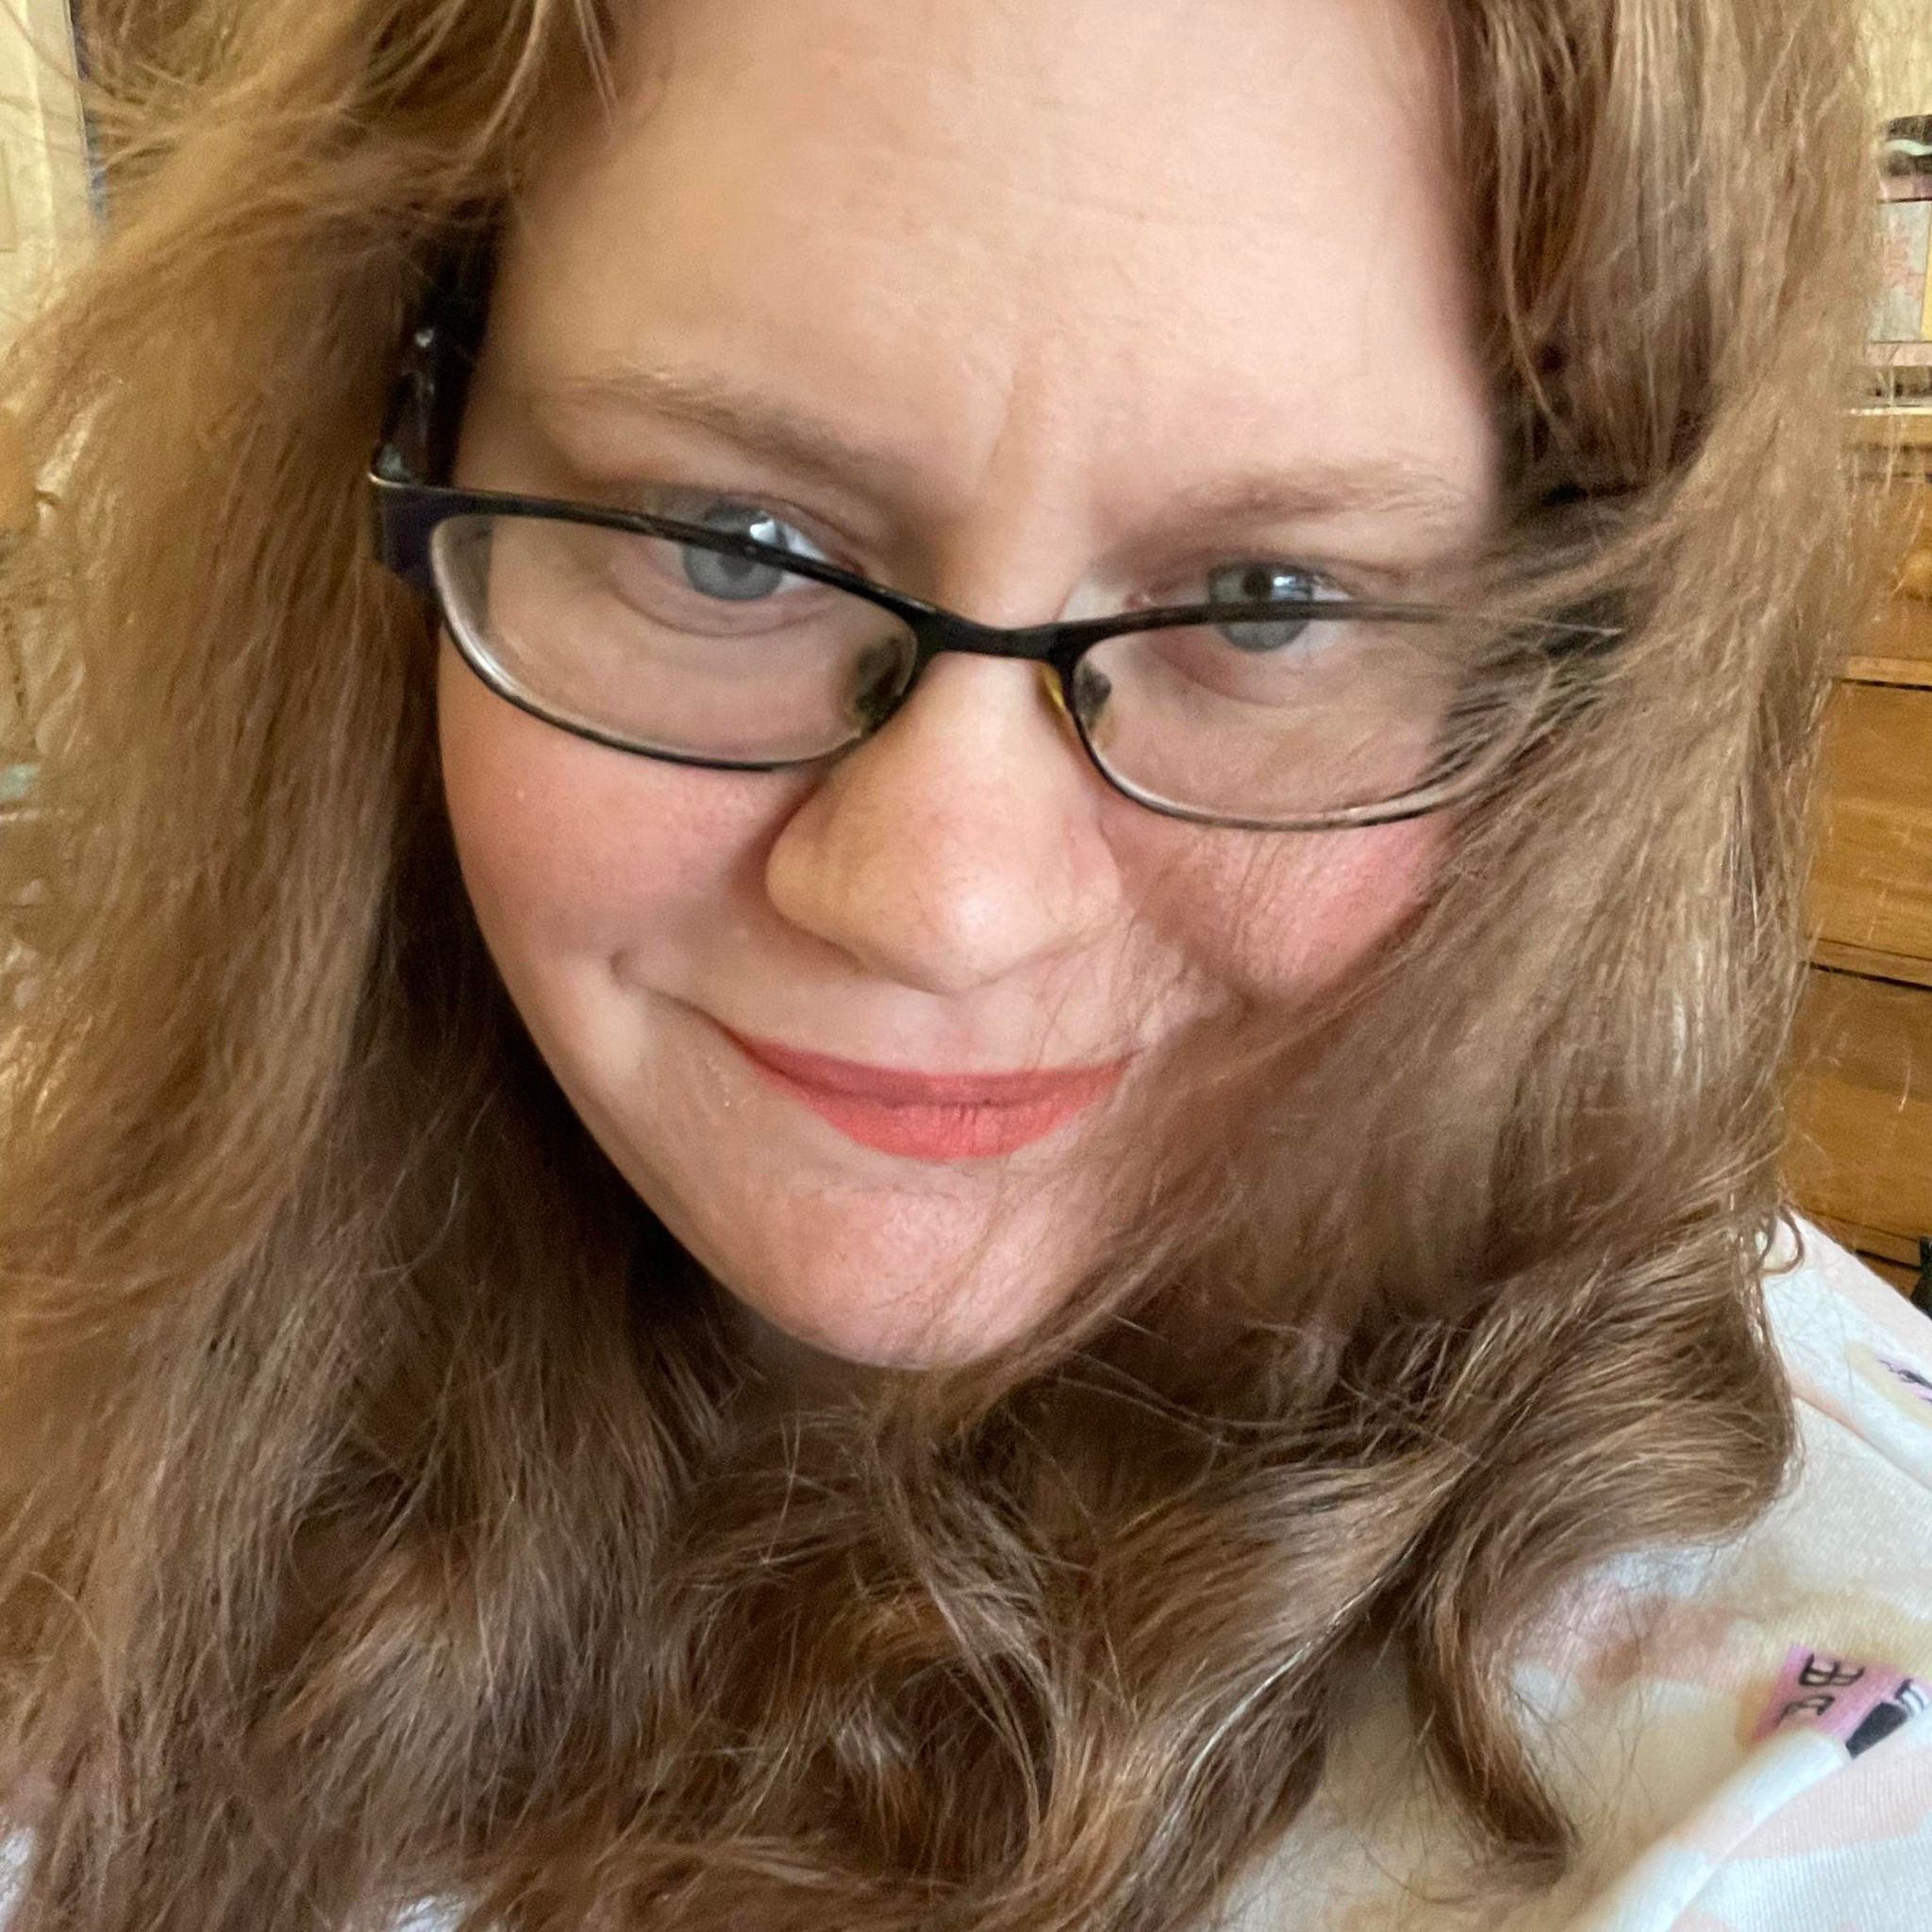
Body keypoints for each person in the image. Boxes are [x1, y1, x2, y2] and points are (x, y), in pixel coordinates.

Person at [0, 0, 1924, 1927]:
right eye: (728, 546)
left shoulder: (1801, 1788)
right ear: (396, 453)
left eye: (1269, 608)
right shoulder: (94, 1343)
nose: (947, 905)